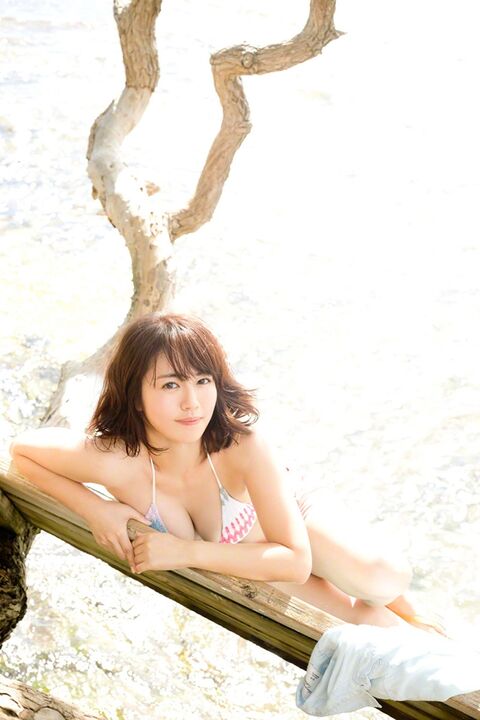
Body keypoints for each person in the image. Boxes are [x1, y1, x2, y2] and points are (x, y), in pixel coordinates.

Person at [9, 313, 440, 631]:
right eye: (170, 385)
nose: (192, 403)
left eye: (203, 381)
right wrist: (95, 508)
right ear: (136, 396)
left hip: (290, 522)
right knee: (372, 630)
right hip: (249, 559)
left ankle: (400, 602)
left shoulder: (241, 446)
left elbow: (295, 560)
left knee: (382, 577)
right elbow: (21, 451)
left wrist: (183, 552)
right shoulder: (117, 461)